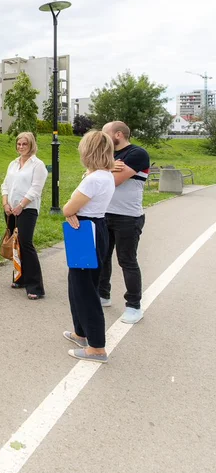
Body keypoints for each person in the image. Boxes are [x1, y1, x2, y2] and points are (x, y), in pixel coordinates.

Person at [62, 130, 116, 363]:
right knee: (78, 283)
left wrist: (68, 212)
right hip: (94, 227)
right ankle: (81, 333)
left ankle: (97, 347)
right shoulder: (104, 175)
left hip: (86, 231)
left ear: (89, 151)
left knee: (84, 288)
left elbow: (68, 208)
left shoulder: (94, 179)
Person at [98, 121, 151, 324]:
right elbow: (89, 176)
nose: (103, 138)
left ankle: (134, 306)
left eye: (106, 133)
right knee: (102, 257)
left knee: (126, 260)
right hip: (105, 214)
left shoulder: (137, 154)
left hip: (128, 217)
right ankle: (103, 295)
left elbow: (114, 181)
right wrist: (108, 167)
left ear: (118, 134)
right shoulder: (108, 157)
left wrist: (104, 170)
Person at [0, 132, 48, 299]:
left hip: (27, 209)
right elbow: (5, 185)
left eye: (24, 144)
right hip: (10, 209)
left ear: (31, 145)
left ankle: (35, 285)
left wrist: (21, 206)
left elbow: (36, 189)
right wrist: (6, 203)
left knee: (26, 243)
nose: (21, 147)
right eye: (19, 144)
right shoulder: (13, 163)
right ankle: (20, 277)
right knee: (15, 245)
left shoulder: (38, 165)